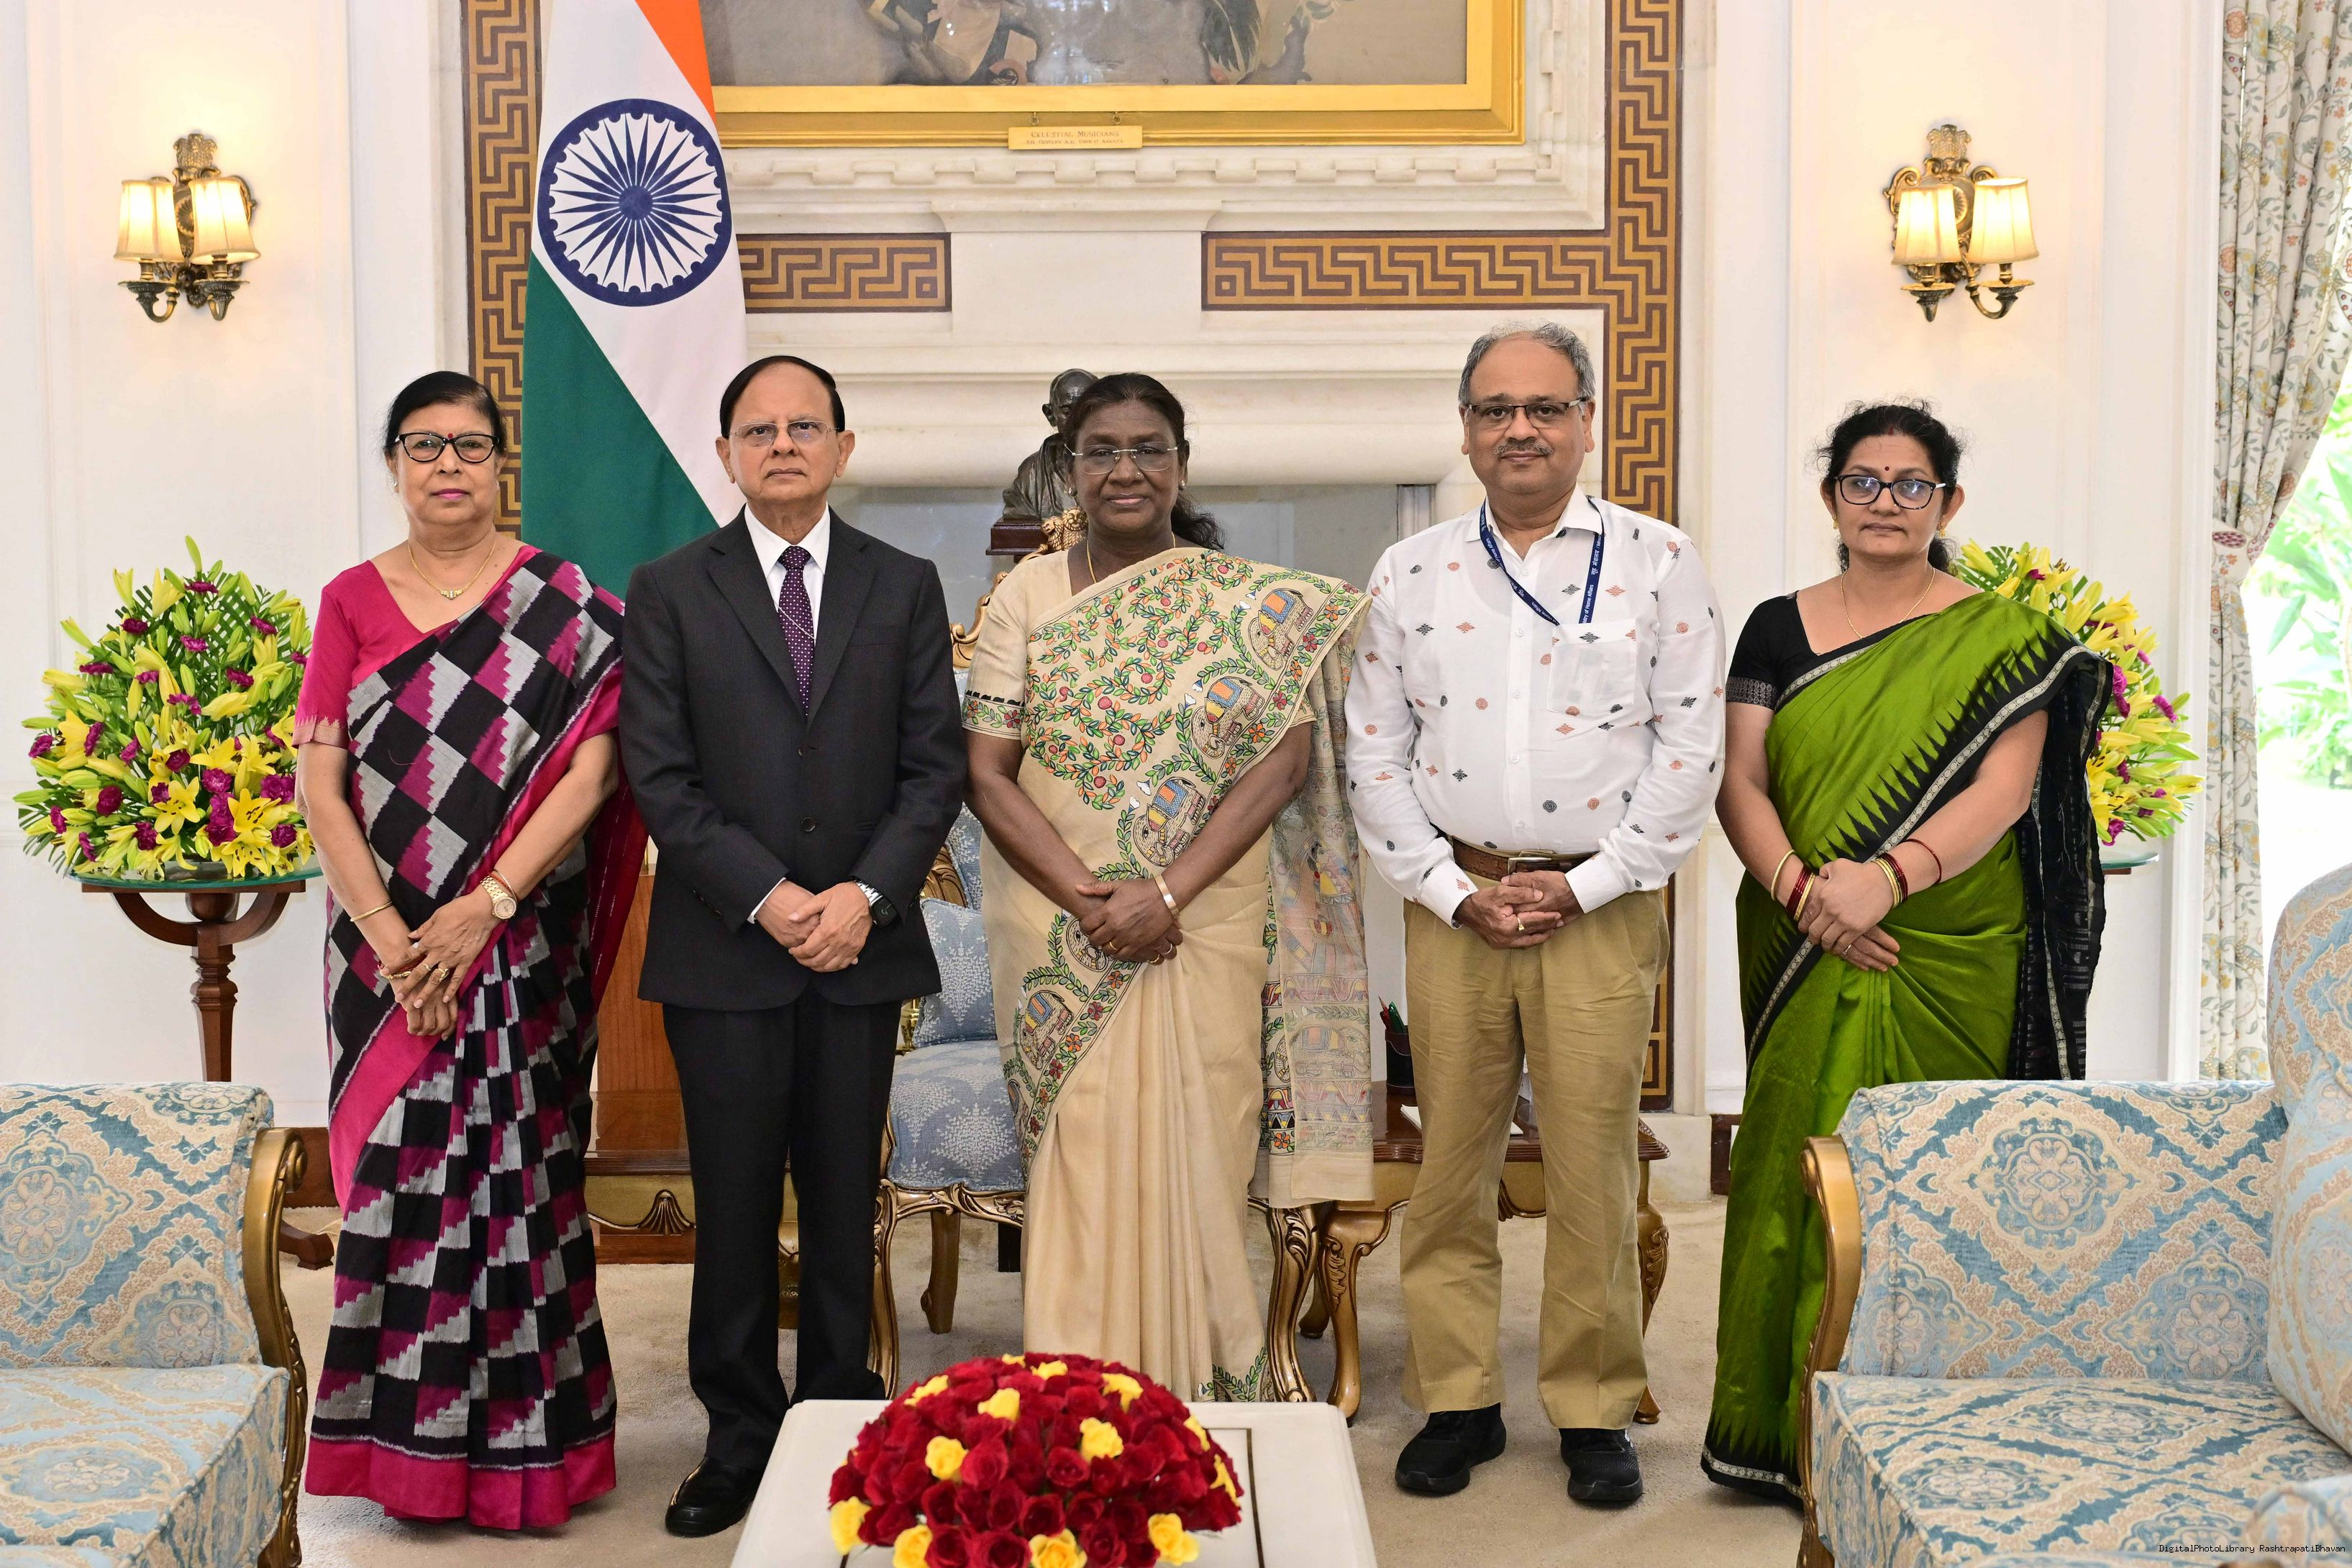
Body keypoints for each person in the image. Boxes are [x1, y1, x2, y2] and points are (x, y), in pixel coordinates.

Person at [1700, 401, 2110, 1502]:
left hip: (1947, 942)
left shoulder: (2008, 640)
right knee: (1792, 1165)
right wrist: (1805, 894)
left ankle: (1931, 1428)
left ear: (1948, 502)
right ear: (1830, 496)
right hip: (1797, 932)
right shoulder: (1774, 628)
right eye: (1863, 481)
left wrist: (1883, 880)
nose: (1884, 502)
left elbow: (2004, 793)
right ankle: (1775, 1432)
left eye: (1910, 484)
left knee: (1936, 1177)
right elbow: (1740, 780)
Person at [1347, 323, 1726, 1508]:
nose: (1520, 429)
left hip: (1600, 906)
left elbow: (1691, 748)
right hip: (1451, 904)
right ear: (1465, 430)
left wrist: (1589, 883)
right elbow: (1372, 753)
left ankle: (1594, 1407)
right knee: (1449, 1165)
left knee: (1594, 1164)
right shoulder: (1408, 571)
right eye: (1496, 409)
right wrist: (1451, 890)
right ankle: (1456, 1399)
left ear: (1585, 422)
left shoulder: (1658, 561)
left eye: (1545, 408)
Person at [963, 372, 1375, 1400]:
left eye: (1148, 448)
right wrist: (1091, 900)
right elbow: (986, 771)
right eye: (1101, 450)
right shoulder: (1024, 596)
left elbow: (1280, 763)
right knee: (1084, 1152)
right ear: (1071, 468)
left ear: (1181, 466)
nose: (1125, 470)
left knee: (1200, 1150)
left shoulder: (1248, 604)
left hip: (1206, 921)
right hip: (1059, 929)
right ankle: (1076, 1391)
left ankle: (1202, 1392)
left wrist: (1168, 895)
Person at [619, 354, 965, 1537]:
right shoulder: (669, 588)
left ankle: (838, 1421)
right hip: (727, 951)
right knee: (729, 1206)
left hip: (859, 947)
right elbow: (659, 775)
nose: (781, 445)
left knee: (840, 1197)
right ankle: (737, 1437)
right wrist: (771, 899)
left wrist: (860, 897)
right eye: (758, 430)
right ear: (724, 454)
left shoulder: (903, 585)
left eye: (803, 427)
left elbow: (933, 768)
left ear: (841, 449)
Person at [298, 371, 640, 1529]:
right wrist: (398, 945)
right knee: (401, 1191)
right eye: (423, 445)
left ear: (502, 464)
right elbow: (321, 785)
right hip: (383, 957)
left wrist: (484, 906)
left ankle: (531, 1457)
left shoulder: (566, 600)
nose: (448, 464)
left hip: (518, 937)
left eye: (470, 445)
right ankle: (405, 1458)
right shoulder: (350, 600)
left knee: (522, 1184)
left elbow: (595, 770)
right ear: (394, 465)